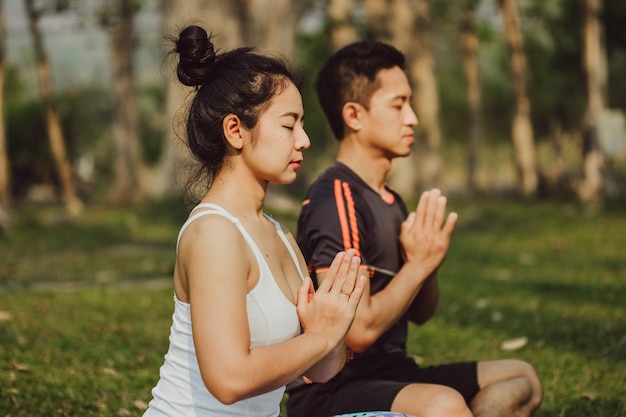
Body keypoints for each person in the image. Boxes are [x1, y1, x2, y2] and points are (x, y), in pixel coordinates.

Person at [286, 40, 543, 417]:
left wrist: (430, 260)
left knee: (522, 379)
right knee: (444, 405)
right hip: (335, 388)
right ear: (354, 115)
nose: (412, 118)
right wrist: (418, 266)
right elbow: (357, 331)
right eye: (398, 105)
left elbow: (421, 313)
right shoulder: (334, 199)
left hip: (392, 374)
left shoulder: (391, 200)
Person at [143, 25, 366, 417]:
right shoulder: (213, 233)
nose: (304, 140)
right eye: (288, 124)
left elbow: (320, 367)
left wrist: (336, 320)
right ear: (235, 130)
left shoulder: (280, 235)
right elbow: (229, 380)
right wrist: (321, 335)